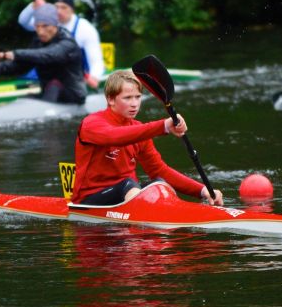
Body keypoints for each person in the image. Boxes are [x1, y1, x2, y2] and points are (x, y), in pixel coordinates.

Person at [71, 70, 224, 206]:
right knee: (128, 184)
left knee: (159, 183)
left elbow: (159, 170)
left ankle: (172, 218)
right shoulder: (92, 124)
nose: (134, 104)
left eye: (138, 97)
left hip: (128, 195)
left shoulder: (139, 129)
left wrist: (202, 191)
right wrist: (163, 125)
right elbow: (115, 137)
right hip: (89, 199)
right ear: (111, 100)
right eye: (127, 98)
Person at [0, 3, 87, 104]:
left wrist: (5, 55)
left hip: (74, 95)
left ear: (55, 25)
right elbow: (22, 64)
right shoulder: (38, 42)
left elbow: (47, 55)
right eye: (37, 26)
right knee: (24, 100)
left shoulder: (67, 43)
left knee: (54, 85)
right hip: (49, 93)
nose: (40, 31)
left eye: (45, 26)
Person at [18, 0, 104, 88]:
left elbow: (96, 61)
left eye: (64, 7)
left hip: (75, 74)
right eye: (56, 7)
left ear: (72, 10)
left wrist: (95, 77)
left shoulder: (85, 29)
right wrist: (32, 7)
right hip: (50, 70)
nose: (59, 11)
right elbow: (23, 22)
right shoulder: (47, 23)